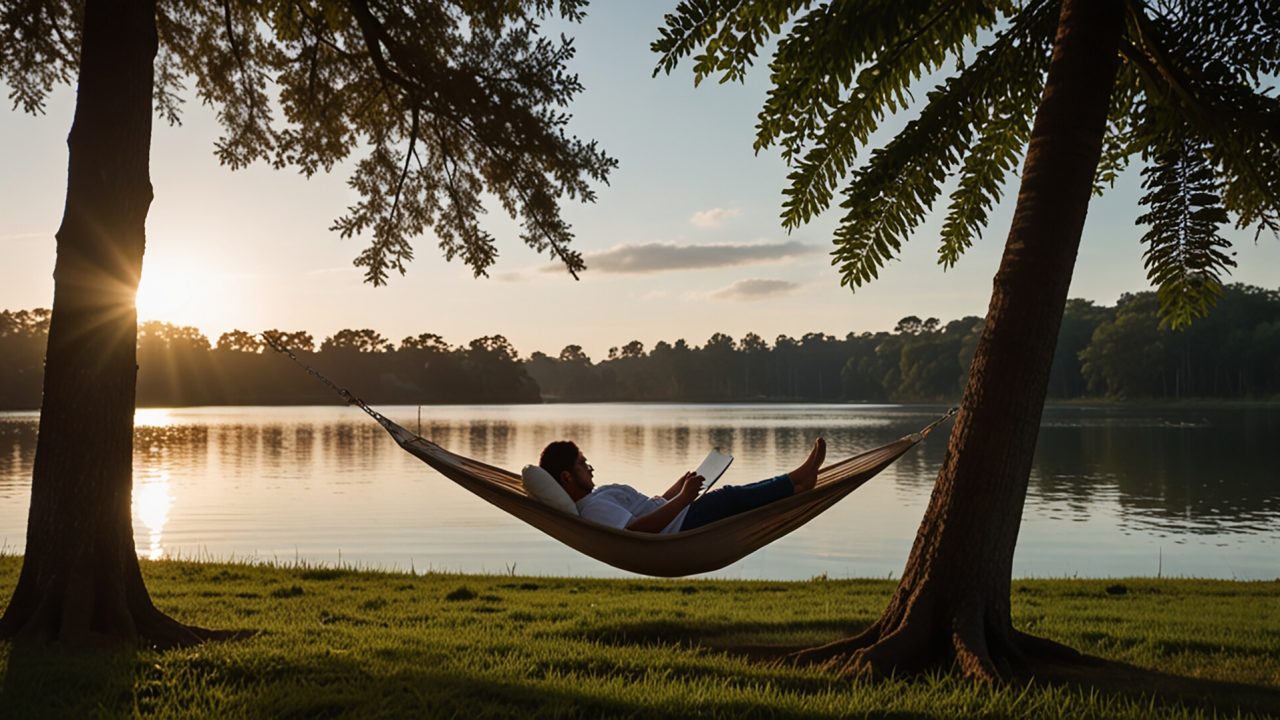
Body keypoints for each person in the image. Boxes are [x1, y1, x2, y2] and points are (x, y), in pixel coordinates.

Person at [538, 438, 825, 533]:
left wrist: (676, 489)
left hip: (677, 515)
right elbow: (638, 531)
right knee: (730, 498)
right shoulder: (592, 508)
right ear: (566, 477)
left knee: (734, 500)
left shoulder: (596, 496)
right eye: (581, 464)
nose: (589, 469)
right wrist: (684, 499)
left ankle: (797, 487)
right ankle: (796, 479)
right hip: (679, 526)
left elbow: (647, 509)